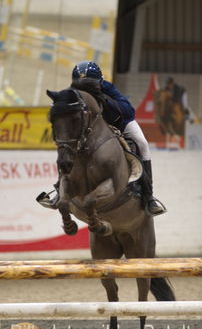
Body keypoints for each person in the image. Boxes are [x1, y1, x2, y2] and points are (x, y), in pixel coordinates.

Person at [38, 60, 166, 216]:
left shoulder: (107, 88)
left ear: (100, 81)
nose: (85, 89)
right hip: (95, 130)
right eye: (81, 85)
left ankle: (148, 196)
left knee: (142, 144)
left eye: (90, 85)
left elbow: (128, 111)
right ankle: (59, 191)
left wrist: (105, 100)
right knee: (68, 148)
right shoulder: (73, 92)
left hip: (120, 124)